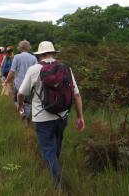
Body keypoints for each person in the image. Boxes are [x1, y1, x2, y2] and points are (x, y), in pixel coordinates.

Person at [17, 41, 85, 187]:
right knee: (56, 146)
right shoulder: (66, 68)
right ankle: (54, 168)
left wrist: (21, 106)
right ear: (54, 53)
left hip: (42, 118)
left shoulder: (34, 69)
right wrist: (80, 117)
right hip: (62, 116)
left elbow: (21, 93)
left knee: (48, 149)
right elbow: (77, 95)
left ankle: (57, 183)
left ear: (40, 55)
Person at [3, 40, 37, 106]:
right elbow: (36, 71)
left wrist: (6, 81)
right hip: (30, 84)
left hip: (18, 83)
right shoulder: (33, 58)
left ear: (20, 48)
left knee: (17, 100)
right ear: (29, 47)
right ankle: (26, 114)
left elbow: (12, 71)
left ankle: (22, 112)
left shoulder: (16, 57)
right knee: (28, 102)